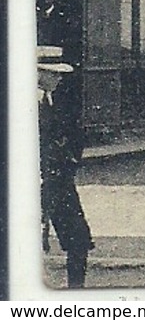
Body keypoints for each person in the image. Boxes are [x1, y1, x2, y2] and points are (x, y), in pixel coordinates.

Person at [39, 45, 94, 289]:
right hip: (35, 184)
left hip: (59, 183)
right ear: (37, 73)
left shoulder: (52, 101)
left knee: (79, 239)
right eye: (54, 72)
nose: (59, 77)